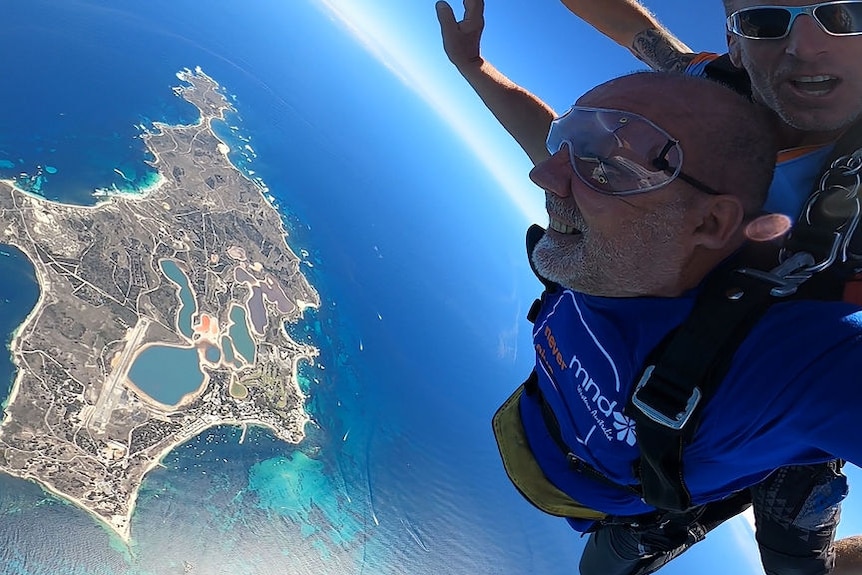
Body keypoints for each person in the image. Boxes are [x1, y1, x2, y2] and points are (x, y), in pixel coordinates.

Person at [435, 1, 862, 573]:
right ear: (736, 40)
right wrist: (476, 69)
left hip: (774, 375)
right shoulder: (694, 99)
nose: (806, 43)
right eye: (765, 19)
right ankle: (671, 513)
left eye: (844, 12)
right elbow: (576, 145)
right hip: (699, 375)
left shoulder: (813, 368)